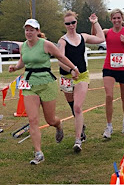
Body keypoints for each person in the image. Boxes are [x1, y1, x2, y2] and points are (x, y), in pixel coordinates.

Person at [9, 19, 79, 164]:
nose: (28, 32)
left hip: (47, 84)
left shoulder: (45, 44)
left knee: (50, 119)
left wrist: (73, 68)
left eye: (32, 30)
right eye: (26, 30)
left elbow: (61, 56)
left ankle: (58, 126)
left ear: (37, 31)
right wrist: (15, 67)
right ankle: (38, 152)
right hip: (29, 85)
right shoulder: (23, 46)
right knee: (33, 120)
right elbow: (23, 61)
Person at [58, 10, 105, 152]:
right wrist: (71, 70)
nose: (71, 25)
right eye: (68, 23)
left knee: (78, 107)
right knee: (73, 106)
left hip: (82, 76)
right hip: (67, 77)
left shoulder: (83, 37)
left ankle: (78, 140)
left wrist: (95, 22)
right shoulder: (62, 41)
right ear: (65, 25)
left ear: (76, 22)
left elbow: (101, 38)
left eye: (73, 22)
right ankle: (81, 127)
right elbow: (60, 60)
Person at [92, 8, 124, 139]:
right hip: (109, 68)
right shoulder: (107, 32)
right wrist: (94, 22)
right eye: (114, 18)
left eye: (119, 18)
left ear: (122, 19)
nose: (116, 20)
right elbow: (95, 35)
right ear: (111, 19)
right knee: (109, 96)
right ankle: (109, 126)